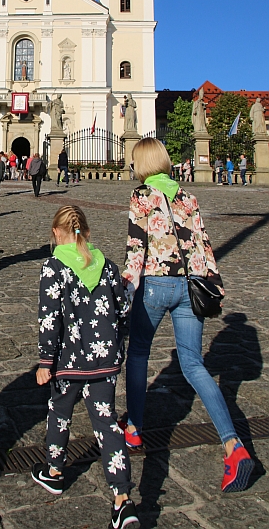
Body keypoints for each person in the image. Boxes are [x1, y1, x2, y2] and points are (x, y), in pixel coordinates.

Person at [122, 137, 254, 493]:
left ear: (143, 164)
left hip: (154, 285)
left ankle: (134, 428)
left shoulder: (141, 196)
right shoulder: (187, 196)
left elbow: (136, 247)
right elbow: (204, 243)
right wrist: (214, 283)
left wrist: (124, 286)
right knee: (194, 365)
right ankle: (234, 446)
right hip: (190, 287)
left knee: (137, 356)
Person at [32, 205, 138, 529]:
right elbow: (123, 309)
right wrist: (116, 343)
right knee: (107, 424)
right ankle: (122, 499)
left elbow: (49, 319)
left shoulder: (53, 267)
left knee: (59, 413)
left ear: (55, 233)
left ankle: (54, 471)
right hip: (104, 360)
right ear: (87, 233)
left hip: (68, 360)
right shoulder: (107, 266)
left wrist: (44, 361)